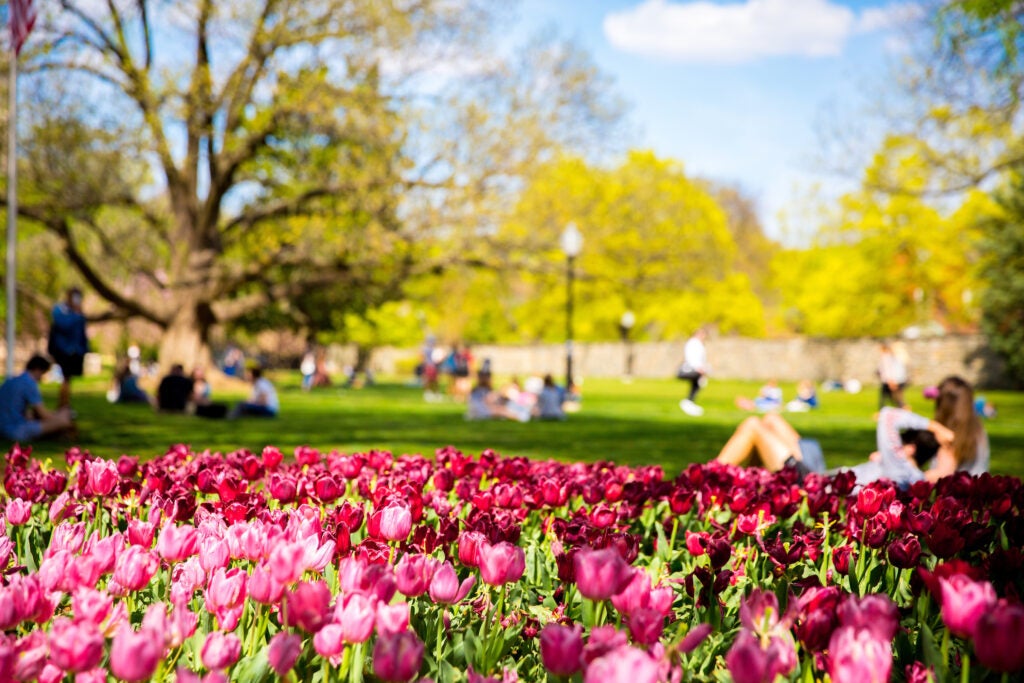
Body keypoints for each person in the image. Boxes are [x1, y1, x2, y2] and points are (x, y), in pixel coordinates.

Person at [715, 409, 948, 489]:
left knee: (754, 426)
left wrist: (933, 425)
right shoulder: (913, 476)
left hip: (814, 487)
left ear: (910, 449)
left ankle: (706, 479)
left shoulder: (898, 464)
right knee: (772, 419)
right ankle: (744, 482)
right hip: (824, 475)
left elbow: (888, 415)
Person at [923, 375, 989, 481]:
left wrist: (912, 478)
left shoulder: (948, 436)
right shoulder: (977, 429)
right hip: (978, 491)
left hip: (955, 495)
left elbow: (943, 474)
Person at [0, 355, 75, 442]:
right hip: (15, 430)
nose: (41, 379)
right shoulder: (29, 383)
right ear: (38, 370)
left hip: (2, 428)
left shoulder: (11, 381)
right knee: (64, 419)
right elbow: (43, 414)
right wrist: (60, 416)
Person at [48, 287, 90, 408]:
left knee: (68, 379)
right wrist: (77, 315)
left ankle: (65, 406)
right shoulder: (60, 310)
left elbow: (81, 333)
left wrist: (84, 348)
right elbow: (63, 325)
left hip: (75, 351)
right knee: (65, 379)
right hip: (63, 351)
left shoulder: (77, 313)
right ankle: (63, 407)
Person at [677, 327, 709, 416]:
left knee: (697, 384)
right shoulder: (694, 343)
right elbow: (692, 357)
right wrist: (699, 368)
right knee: (697, 382)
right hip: (691, 369)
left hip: (696, 368)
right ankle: (689, 401)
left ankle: (690, 401)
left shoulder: (699, 344)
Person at [877, 342, 909, 410]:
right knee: (892, 397)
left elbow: (889, 370)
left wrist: (891, 381)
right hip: (894, 380)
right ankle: (901, 409)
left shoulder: (888, 357)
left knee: (895, 397)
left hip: (892, 380)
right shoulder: (892, 357)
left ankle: (904, 408)